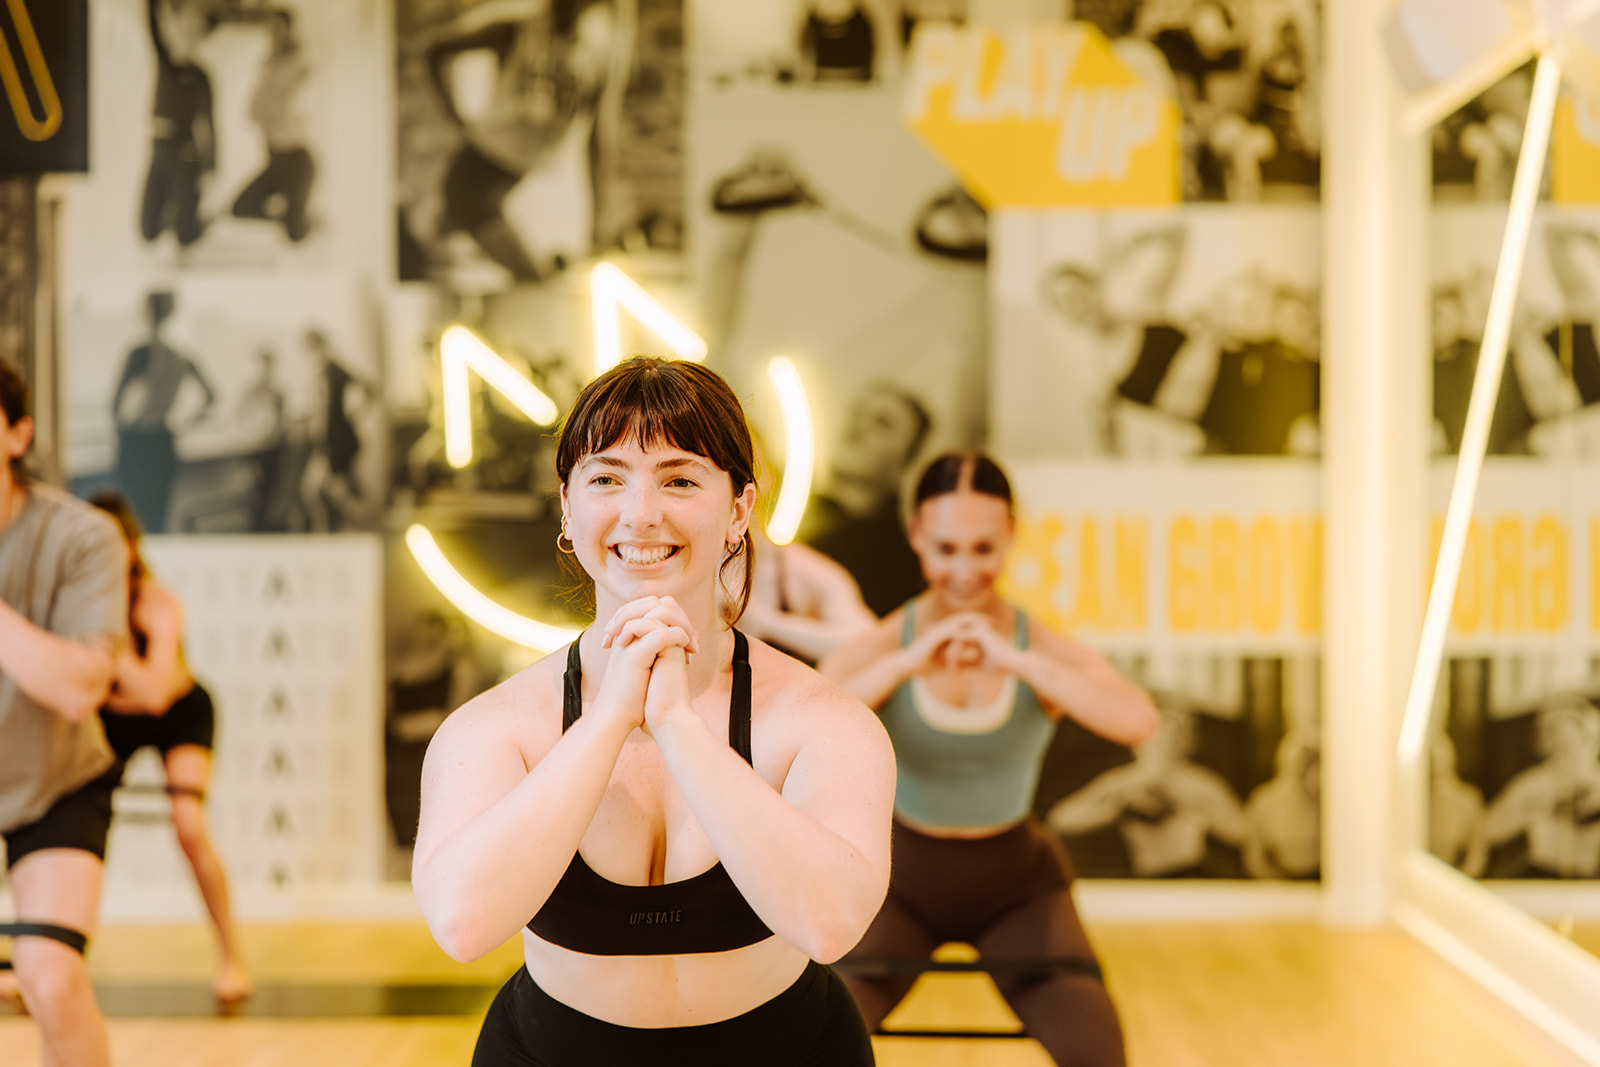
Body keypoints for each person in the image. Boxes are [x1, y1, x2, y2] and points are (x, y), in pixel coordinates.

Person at [412, 357, 895, 1065]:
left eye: (679, 480)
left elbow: (832, 926)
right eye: (607, 479)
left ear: (739, 511)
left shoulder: (820, 720)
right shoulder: (497, 727)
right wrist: (609, 719)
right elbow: (462, 925)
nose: (641, 513)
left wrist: (677, 725)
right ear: (567, 507)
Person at [819, 452, 1159, 1066]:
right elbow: (815, 712)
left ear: (1010, 537)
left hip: (1017, 887)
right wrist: (906, 664)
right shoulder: (886, 644)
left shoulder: (1038, 645)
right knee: (820, 1048)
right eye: (945, 549)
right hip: (899, 883)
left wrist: (1021, 664)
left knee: (1099, 1056)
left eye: (983, 549)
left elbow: (1138, 719)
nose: (964, 571)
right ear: (916, 534)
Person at [0, 357, 128, 1067]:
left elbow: (81, 688)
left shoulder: (83, 536)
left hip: (55, 782)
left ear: (17, 435)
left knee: (49, 978)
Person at [87, 490, 253, 1003]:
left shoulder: (156, 603)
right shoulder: (75, 605)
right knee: (75, 830)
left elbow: (157, 694)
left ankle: (231, 957)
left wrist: (106, 644)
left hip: (180, 713)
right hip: (111, 718)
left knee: (189, 826)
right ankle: (52, 960)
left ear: (131, 546)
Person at [797, 382, 932, 616]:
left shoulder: (897, 568)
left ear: (905, 461)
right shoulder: (783, 506)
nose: (859, 426)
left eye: (882, 424)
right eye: (857, 413)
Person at [112, 290, 217, 534]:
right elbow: (211, 397)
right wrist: (183, 422)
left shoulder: (139, 353)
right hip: (163, 442)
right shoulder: (181, 356)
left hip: (137, 442)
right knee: (157, 518)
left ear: (147, 312)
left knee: (131, 519)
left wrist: (124, 432)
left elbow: (115, 405)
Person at [230, 9, 316, 243]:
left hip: (297, 161)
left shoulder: (297, 63)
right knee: (240, 208)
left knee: (295, 233)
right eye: (272, 29)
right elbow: (254, 112)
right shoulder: (267, 66)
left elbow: (279, 106)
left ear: (290, 30)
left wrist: (270, 100)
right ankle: (297, 216)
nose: (276, 34)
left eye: (281, 28)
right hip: (275, 162)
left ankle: (307, 221)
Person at [140, 0, 216, 249]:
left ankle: (191, 217)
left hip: (186, 154)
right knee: (148, 232)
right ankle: (178, 210)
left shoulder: (202, 78)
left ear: (201, 38)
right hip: (159, 149)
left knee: (186, 236)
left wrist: (211, 168)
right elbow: (152, 26)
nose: (189, 37)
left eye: (196, 32)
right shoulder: (166, 62)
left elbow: (210, 124)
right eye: (187, 30)